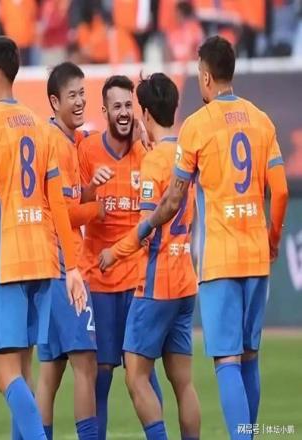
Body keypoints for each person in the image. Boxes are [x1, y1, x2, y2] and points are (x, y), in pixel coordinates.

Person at [136, 36, 289, 439]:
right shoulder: (261, 120)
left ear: (205, 76)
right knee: (250, 355)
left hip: (220, 259)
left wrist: (144, 228)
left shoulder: (196, 126)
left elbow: (174, 198)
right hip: (256, 254)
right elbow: (281, 191)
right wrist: (272, 238)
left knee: (227, 361)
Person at [0, 36, 87, 440]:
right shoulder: (38, 126)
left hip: (8, 263)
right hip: (44, 263)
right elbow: (57, 204)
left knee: (4, 375)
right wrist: (72, 266)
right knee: (25, 371)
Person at [99, 73, 201, 440]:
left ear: (144, 113)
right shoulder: (186, 156)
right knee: (183, 383)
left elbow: (147, 230)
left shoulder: (153, 163)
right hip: (186, 279)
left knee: (136, 374)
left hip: (158, 283)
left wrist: (113, 252)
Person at [77, 75, 163, 440]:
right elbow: (73, 208)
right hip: (98, 278)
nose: (124, 112)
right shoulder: (87, 151)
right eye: (117, 106)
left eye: (129, 105)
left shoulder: (147, 153)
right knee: (102, 372)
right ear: (105, 111)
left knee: (142, 371)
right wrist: (90, 190)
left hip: (138, 280)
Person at [35, 61, 101, 440]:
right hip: (64, 264)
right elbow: (64, 211)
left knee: (51, 369)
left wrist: (88, 191)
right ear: (54, 101)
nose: (79, 102)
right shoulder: (58, 145)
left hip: (50, 262)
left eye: (82, 94)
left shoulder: (64, 140)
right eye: (72, 95)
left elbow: (68, 200)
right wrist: (97, 208)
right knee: (85, 364)